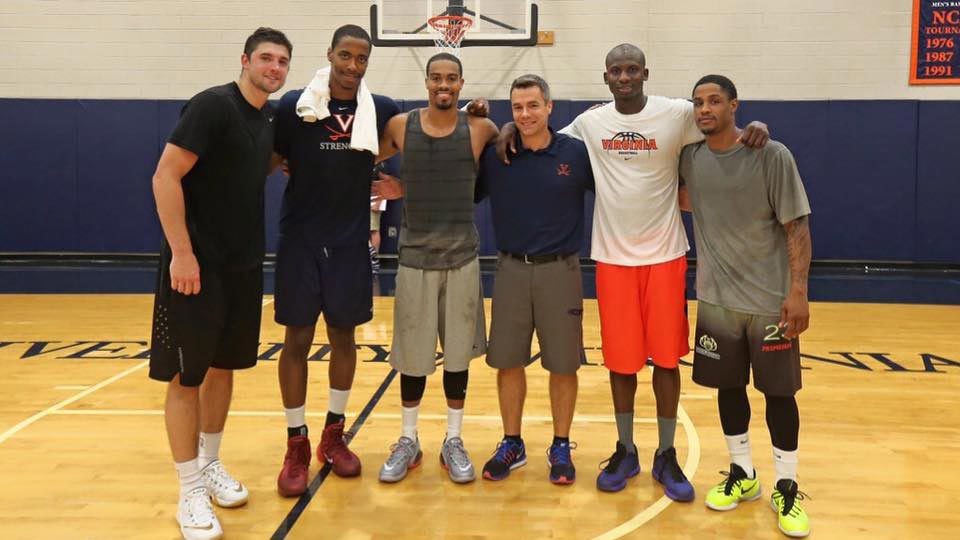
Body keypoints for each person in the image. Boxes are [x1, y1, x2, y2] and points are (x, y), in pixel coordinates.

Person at [497, 43, 769, 501]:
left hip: (665, 257)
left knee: (665, 360)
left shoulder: (677, 113)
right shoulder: (589, 123)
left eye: (631, 70)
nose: (624, 78)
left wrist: (753, 127)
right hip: (612, 261)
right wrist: (507, 123)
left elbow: (717, 121)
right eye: (615, 72)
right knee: (621, 364)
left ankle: (666, 453)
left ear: (645, 72)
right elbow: (538, 133)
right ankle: (626, 450)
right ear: (605, 77)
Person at [149, 27, 291, 540]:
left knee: (224, 369)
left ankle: (209, 463)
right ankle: (188, 486)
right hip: (196, 268)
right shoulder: (211, 107)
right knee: (187, 378)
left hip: (243, 267)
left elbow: (258, 166)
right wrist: (182, 254)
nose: (274, 68)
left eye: (282, 62)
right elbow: (165, 176)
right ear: (245, 60)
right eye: (266, 59)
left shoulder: (269, 118)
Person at [678, 74, 812, 538]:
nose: (705, 109)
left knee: (779, 395)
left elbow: (797, 227)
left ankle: (788, 485)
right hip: (717, 300)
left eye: (715, 101)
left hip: (770, 303)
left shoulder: (771, 155)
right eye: (698, 102)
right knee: (728, 389)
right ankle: (743, 474)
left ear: (734, 105)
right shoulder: (690, 159)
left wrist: (798, 292)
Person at [271, 24, 400, 496]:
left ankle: (333, 434)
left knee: (344, 336)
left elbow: (422, 137)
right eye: (344, 56)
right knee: (298, 338)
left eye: (361, 59)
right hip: (301, 239)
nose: (352, 66)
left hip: (349, 241)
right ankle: (297, 441)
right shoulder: (294, 106)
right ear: (330, 55)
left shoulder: (381, 109)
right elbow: (273, 156)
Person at [373, 52, 499, 484]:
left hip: (462, 257)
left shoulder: (482, 129)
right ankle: (409, 440)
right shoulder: (400, 127)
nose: (443, 85)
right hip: (414, 259)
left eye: (451, 79)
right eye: (436, 78)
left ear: (462, 84)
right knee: (412, 358)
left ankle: (453, 438)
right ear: (426, 82)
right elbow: (357, 157)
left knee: (457, 358)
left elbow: (497, 168)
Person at [475, 74, 593, 485]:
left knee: (563, 365)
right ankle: (512, 442)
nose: (525, 115)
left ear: (549, 107)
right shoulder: (497, 155)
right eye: (517, 108)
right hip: (510, 269)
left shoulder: (576, 154)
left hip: (561, 270)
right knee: (507, 362)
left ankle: (561, 444)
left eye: (532, 106)